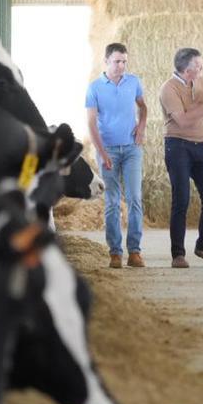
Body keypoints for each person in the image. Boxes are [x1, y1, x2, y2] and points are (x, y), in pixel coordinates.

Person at [159, 47, 203, 268]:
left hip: (201, 145)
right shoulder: (168, 89)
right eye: (198, 65)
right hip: (177, 145)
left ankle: (202, 246)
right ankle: (178, 254)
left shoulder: (201, 82)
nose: (202, 68)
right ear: (187, 69)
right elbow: (184, 121)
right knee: (181, 199)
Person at [86, 43, 148, 268]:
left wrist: (141, 126)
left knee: (134, 199)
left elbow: (143, 107)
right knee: (112, 202)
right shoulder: (94, 88)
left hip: (132, 149)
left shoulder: (133, 82)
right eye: (117, 61)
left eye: (124, 61)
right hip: (108, 150)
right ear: (106, 62)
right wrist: (102, 153)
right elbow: (91, 124)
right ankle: (114, 252)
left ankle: (135, 251)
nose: (121, 66)